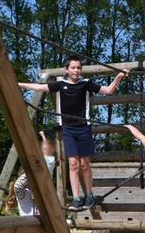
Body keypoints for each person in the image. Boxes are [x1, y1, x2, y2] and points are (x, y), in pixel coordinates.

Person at [19, 58, 128, 211]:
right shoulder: (60, 85)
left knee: (84, 164)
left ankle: (89, 194)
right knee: (73, 164)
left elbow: (109, 90)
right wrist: (19, 84)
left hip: (83, 128)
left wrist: (119, 76)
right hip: (68, 129)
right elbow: (38, 87)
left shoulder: (86, 84)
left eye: (78, 68)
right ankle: (76, 198)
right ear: (67, 70)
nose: (76, 70)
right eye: (73, 67)